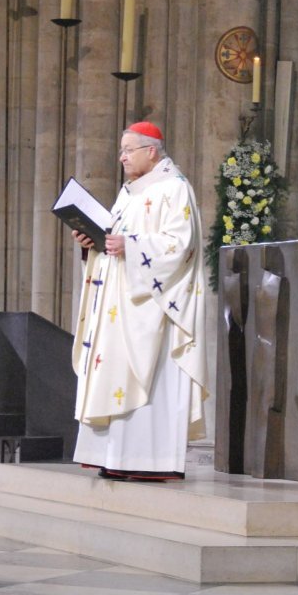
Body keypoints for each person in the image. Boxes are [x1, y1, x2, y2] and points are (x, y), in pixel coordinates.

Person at [71, 121, 208, 480]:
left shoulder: (174, 189)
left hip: (152, 308)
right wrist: (95, 246)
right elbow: (114, 242)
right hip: (118, 305)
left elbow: (180, 245)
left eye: (127, 150)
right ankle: (113, 457)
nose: (121, 158)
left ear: (151, 151)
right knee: (113, 372)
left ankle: (148, 460)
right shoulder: (128, 193)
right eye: (121, 150)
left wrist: (129, 246)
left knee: (147, 378)